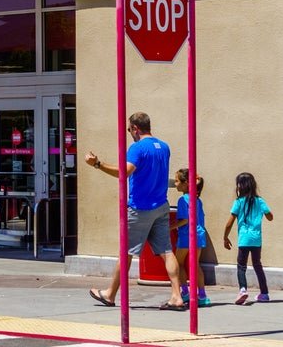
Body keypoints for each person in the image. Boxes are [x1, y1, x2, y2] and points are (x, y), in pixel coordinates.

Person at [84, 112, 184, 311]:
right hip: (161, 206)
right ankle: (177, 296)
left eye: (130, 129)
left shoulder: (137, 148)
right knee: (166, 251)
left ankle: (110, 294)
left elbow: (124, 172)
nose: (129, 133)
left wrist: (97, 164)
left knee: (126, 252)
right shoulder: (164, 147)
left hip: (140, 208)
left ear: (135, 129)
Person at [222, 171, 274, 304]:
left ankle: (243, 290)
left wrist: (225, 237)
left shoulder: (238, 202)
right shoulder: (260, 201)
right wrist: (264, 214)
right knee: (257, 265)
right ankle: (264, 293)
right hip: (256, 240)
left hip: (244, 239)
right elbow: (270, 217)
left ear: (240, 186)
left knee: (241, 266)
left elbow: (229, 223)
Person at [170, 168, 210, 307]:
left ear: (186, 183)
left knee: (178, 263)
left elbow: (184, 220)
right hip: (199, 235)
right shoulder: (197, 199)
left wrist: (170, 227)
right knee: (195, 264)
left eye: (176, 181)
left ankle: (185, 292)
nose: (175, 184)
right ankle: (202, 295)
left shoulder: (183, 200)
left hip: (187, 235)